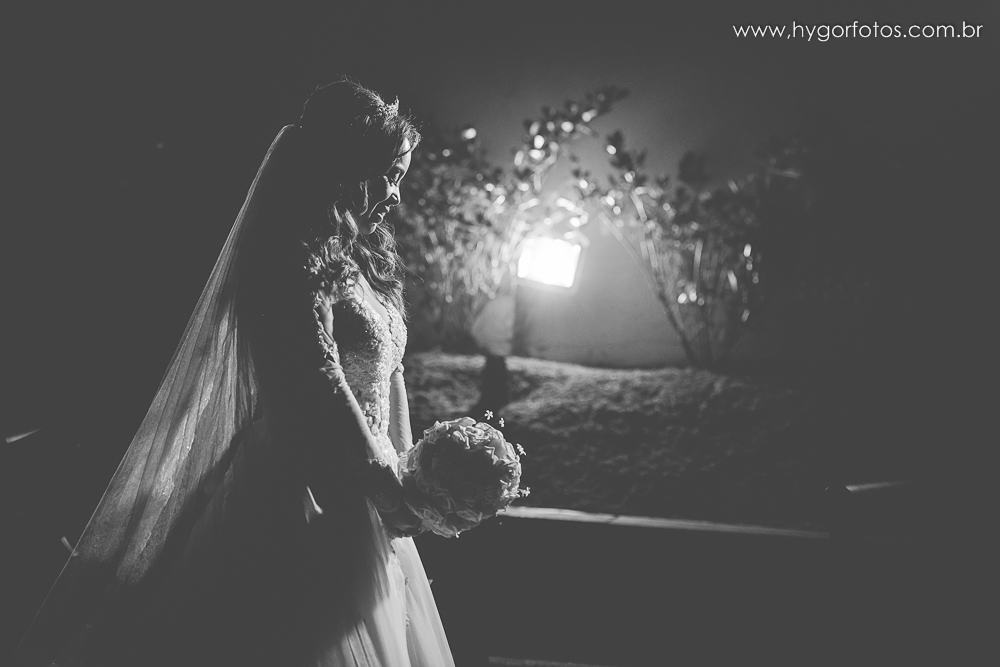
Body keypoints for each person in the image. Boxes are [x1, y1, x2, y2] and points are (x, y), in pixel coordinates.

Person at [14, 78, 455, 667]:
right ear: (347, 165)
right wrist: (379, 480)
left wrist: (408, 470)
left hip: (371, 486)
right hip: (305, 490)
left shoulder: (367, 261)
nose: (397, 195)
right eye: (389, 174)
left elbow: (391, 371)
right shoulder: (292, 255)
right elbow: (318, 380)